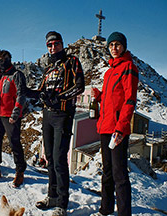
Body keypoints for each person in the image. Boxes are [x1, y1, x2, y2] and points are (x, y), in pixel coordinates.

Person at [35, 31, 84, 216]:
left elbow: (80, 86)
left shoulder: (72, 61)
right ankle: (52, 196)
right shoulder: (49, 68)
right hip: (47, 116)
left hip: (63, 115)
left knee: (59, 159)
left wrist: (59, 97)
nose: (52, 47)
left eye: (56, 44)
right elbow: (40, 90)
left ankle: (62, 204)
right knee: (49, 158)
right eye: (49, 45)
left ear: (62, 44)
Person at [90, 31, 136, 216]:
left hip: (118, 129)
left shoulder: (128, 67)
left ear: (123, 46)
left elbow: (130, 99)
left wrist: (121, 127)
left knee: (119, 174)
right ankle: (105, 209)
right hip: (105, 127)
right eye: (111, 45)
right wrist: (100, 96)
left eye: (117, 45)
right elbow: (112, 98)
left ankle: (124, 213)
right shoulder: (109, 72)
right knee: (107, 171)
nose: (114, 48)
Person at [0, 50, 27, 187]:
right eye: (0, 60)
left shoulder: (17, 75)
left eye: (5, 59)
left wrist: (16, 112)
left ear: (10, 59)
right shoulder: (2, 76)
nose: (2, 62)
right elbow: (3, 93)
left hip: (11, 116)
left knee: (14, 144)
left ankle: (20, 171)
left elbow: (21, 94)